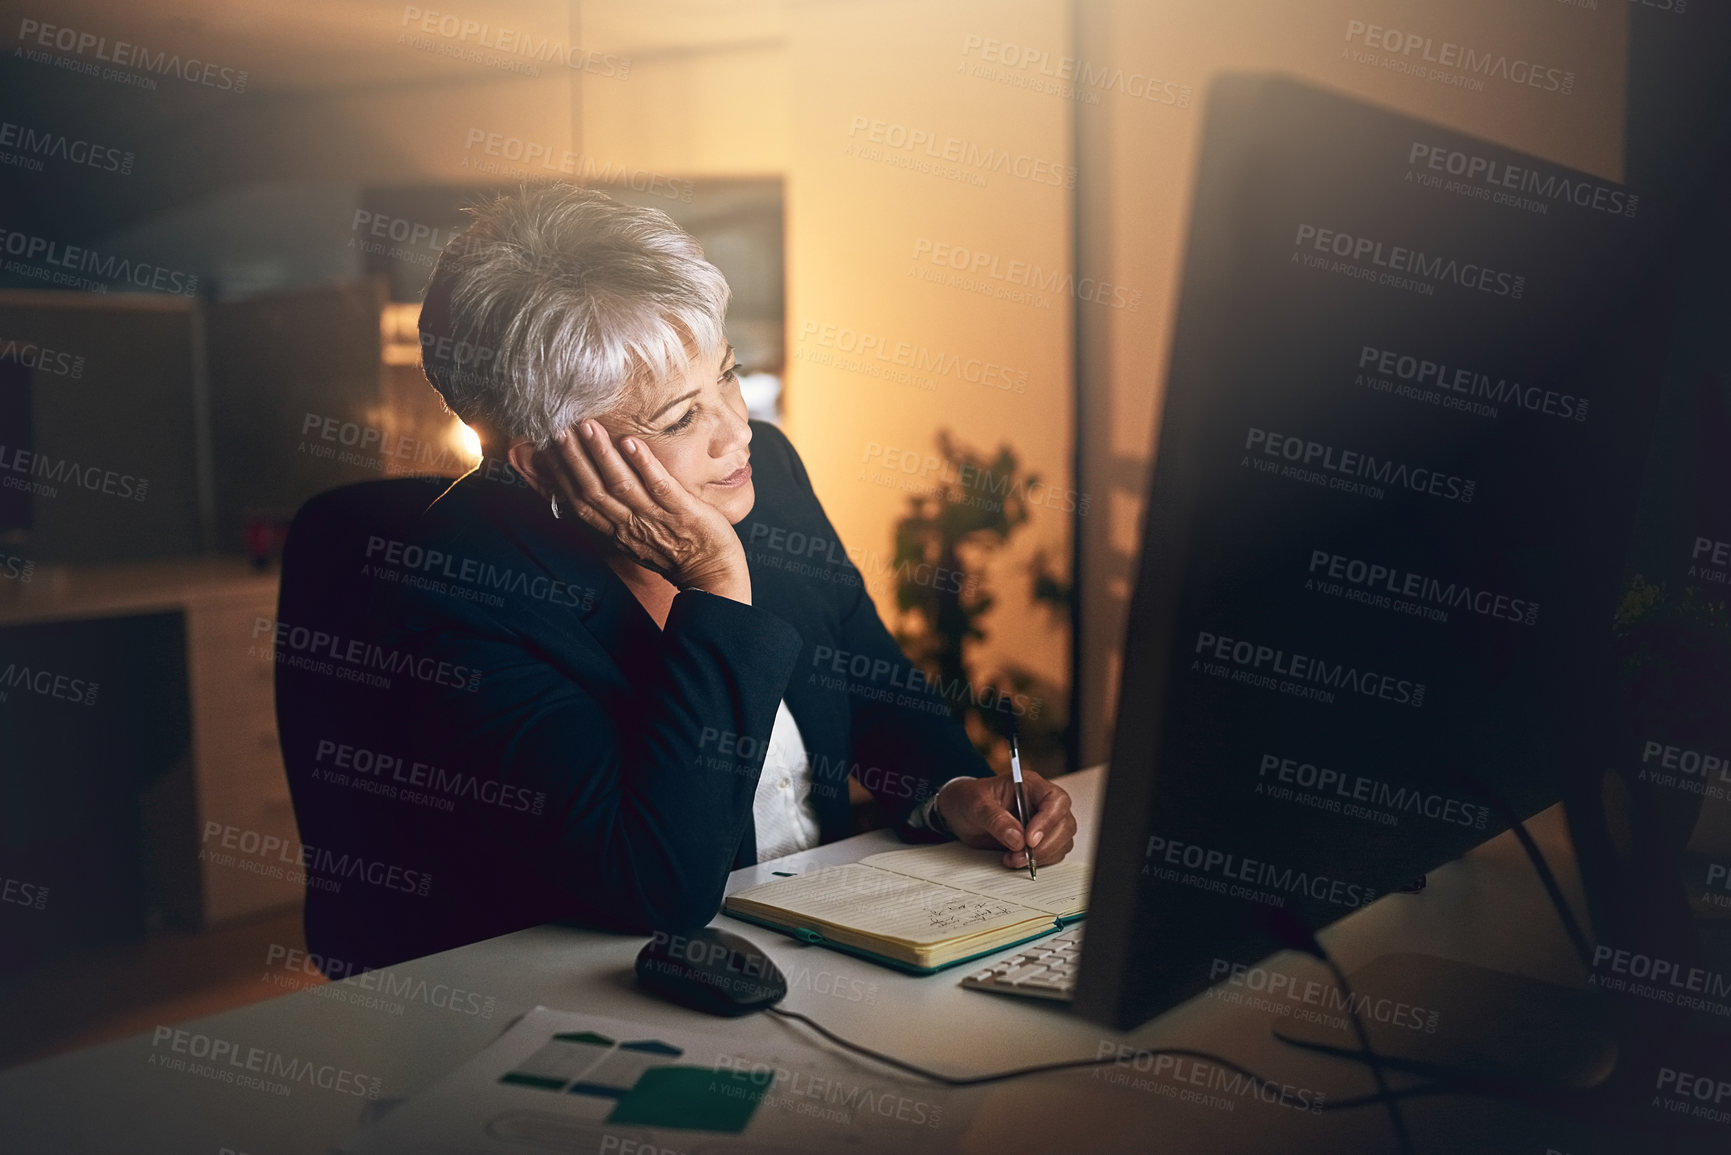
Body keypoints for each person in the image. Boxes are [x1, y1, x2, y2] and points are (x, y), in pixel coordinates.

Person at [281, 183, 1074, 970]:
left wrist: (956, 790)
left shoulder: (771, 480)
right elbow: (654, 885)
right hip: (582, 1000)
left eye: (727, 374)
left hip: (819, 954)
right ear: (547, 461)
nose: (737, 431)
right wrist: (715, 585)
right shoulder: (450, 586)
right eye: (680, 418)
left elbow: (876, 694)